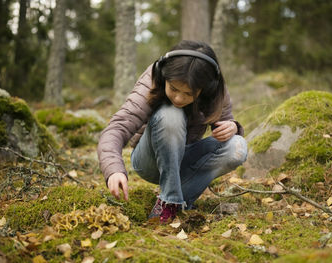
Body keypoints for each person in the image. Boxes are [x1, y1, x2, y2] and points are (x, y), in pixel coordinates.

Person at [97, 40, 248, 223]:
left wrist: (232, 127)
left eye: (189, 94)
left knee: (237, 146)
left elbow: (225, 123)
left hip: (183, 156)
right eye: (174, 89)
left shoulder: (215, 89)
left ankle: (172, 203)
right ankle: (170, 199)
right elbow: (117, 127)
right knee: (171, 114)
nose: (179, 97)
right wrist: (114, 170)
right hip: (149, 161)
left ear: (205, 89)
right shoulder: (152, 79)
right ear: (164, 76)